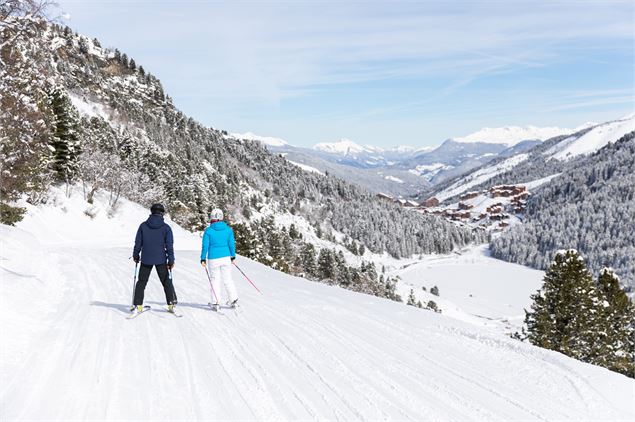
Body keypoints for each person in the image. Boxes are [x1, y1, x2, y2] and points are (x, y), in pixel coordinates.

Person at [132, 203, 177, 314]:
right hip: (161, 259)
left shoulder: (143, 226)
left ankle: (138, 305)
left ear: (151, 212)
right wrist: (171, 260)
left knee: (141, 282)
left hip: (146, 259)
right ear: (162, 213)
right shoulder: (166, 228)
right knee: (166, 281)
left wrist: (136, 255)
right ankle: (171, 304)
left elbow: (138, 242)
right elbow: (169, 245)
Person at [201, 208, 238, 310]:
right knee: (228, 279)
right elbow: (231, 244)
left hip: (213, 258)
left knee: (215, 280)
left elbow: (205, 246)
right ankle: (233, 300)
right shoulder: (228, 230)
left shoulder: (208, 231)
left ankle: (216, 302)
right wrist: (232, 256)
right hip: (226, 257)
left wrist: (203, 258)